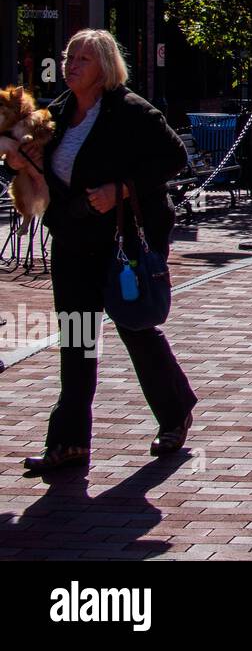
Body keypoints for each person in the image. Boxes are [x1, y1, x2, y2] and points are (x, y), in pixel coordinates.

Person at [8, 30, 195, 473]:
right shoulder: (56, 113)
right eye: (69, 56)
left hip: (122, 242)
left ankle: (175, 411)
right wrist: (20, 161)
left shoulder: (130, 111)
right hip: (73, 241)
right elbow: (42, 173)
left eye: (83, 59)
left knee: (134, 327)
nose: (71, 65)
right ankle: (68, 442)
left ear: (105, 68)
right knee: (76, 338)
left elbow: (174, 157)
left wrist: (122, 189)